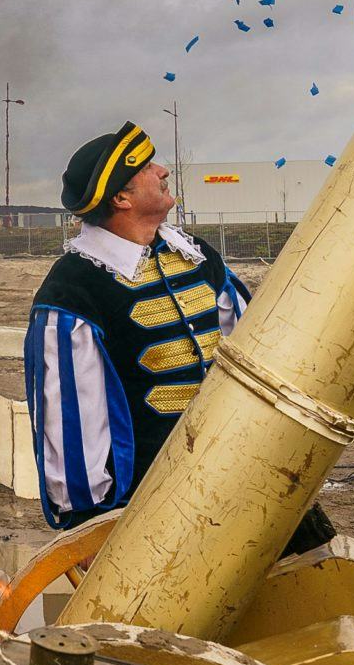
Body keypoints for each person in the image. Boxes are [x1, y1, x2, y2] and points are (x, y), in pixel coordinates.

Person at [22, 122, 334, 550]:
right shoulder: (75, 289)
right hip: (151, 502)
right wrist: (92, 521)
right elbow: (72, 416)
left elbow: (250, 350)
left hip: (240, 472)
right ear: (121, 198)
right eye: (148, 168)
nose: (163, 170)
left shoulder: (196, 255)